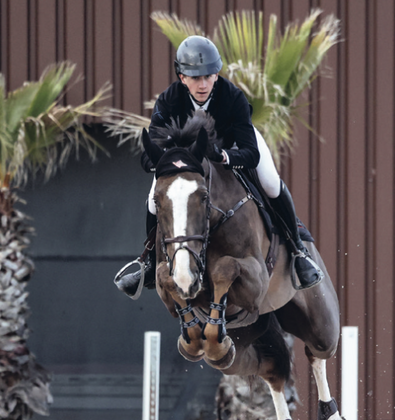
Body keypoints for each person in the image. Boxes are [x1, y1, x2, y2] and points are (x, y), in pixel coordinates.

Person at [115, 35, 323, 296]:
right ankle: (148, 260)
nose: (203, 84)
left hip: (232, 147)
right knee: (152, 199)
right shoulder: (168, 100)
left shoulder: (232, 96)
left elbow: (250, 154)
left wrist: (223, 156)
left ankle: (298, 251)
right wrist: (169, 161)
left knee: (270, 183)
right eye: (195, 77)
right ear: (182, 77)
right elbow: (149, 155)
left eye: (209, 76)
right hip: (186, 160)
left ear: (216, 75)